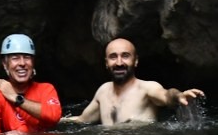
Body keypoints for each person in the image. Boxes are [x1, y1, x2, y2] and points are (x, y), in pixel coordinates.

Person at [66, 38, 204, 125]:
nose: (119, 62)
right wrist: (52, 119)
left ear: (136, 61)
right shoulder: (103, 91)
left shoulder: (147, 88)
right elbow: (82, 120)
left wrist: (178, 96)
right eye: (113, 57)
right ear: (106, 63)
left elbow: (166, 96)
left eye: (125, 56)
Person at [0, 34, 61, 133]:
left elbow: (54, 116)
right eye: (15, 58)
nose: (22, 63)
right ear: (5, 64)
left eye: (27, 57)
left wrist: (15, 98)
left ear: (33, 63)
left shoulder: (46, 89)